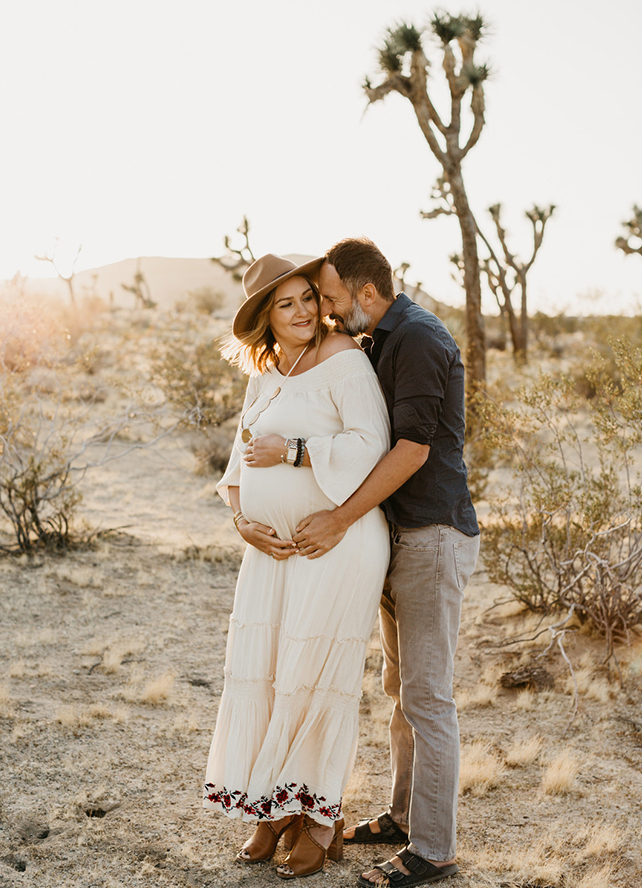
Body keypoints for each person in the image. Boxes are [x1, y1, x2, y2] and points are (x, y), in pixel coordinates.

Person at [292, 237, 481, 888]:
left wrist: (340, 519)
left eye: (336, 300)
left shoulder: (420, 339)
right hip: (401, 540)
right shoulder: (379, 338)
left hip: (432, 538)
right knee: (400, 693)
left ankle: (434, 851)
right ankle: (402, 818)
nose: (331, 313)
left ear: (367, 293)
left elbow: (411, 452)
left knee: (428, 698)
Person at [203, 253, 392, 880]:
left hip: (338, 542)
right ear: (266, 319)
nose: (306, 311)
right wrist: (243, 523)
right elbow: (238, 464)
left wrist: (295, 453)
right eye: (286, 304)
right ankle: (275, 805)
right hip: (274, 553)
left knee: (314, 676)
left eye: (309, 297)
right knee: (269, 674)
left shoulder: (345, 361)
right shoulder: (267, 374)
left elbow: (373, 445)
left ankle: (316, 817)